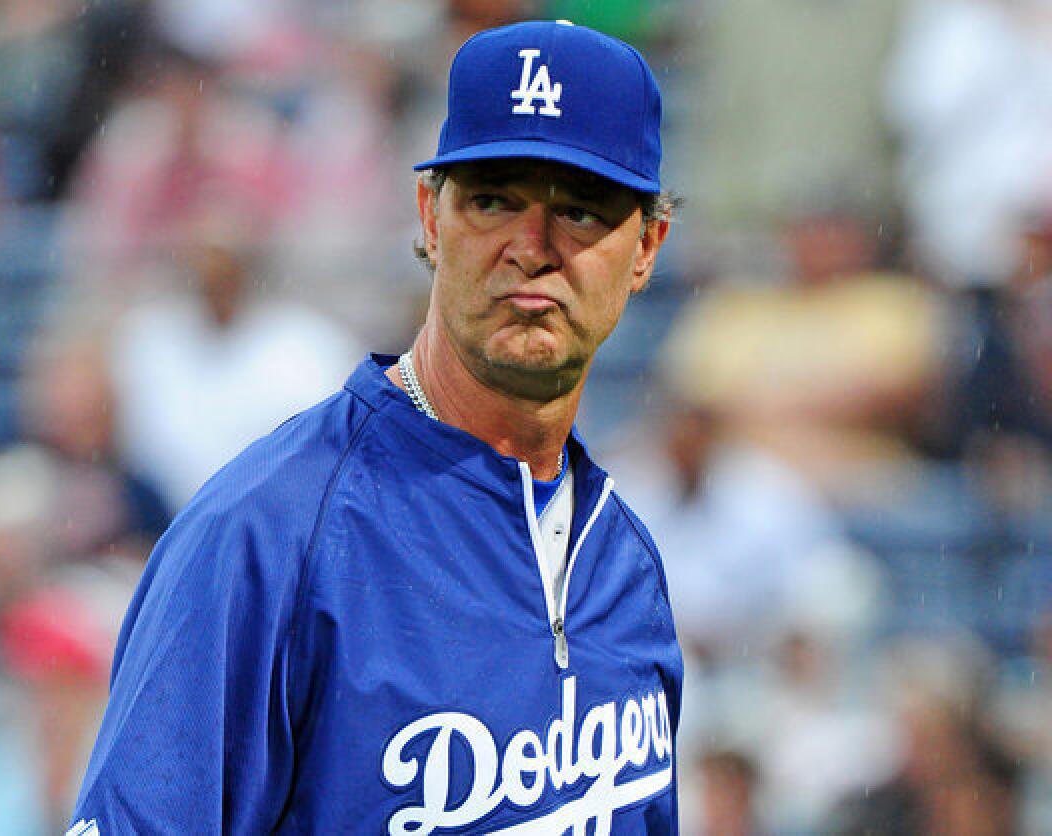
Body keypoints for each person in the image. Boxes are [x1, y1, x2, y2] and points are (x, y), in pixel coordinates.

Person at [69, 20, 682, 834]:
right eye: (494, 199)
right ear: (430, 216)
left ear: (647, 248)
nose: (531, 248)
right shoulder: (267, 531)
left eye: (580, 209)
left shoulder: (625, 566)